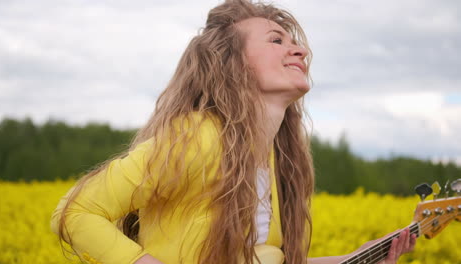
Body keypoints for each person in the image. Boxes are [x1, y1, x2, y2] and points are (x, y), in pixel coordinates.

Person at [50, 0, 416, 263]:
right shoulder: (198, 138)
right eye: (277, 40)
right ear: (234, 64)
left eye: (295, 42)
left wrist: (358, 258)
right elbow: (76, 211)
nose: (300, 50)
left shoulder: (276, 158)